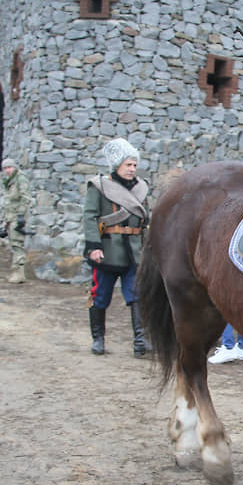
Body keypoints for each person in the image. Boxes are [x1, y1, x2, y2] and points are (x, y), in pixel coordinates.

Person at [83, 138, 150, 357]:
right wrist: (93, 246)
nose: (132, 169)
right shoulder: (99, 186)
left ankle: (140, 341)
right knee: (100, 296)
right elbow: (90, 217)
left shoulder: (141, 188)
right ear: (117, 165)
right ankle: (98, 339)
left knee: (137, 296)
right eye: (128, 165)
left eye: (134, 165)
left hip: (134, 252)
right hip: (108, 250)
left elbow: (145, 221)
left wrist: (148, 248)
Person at [0, 158, 31, 283]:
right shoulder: (9, 181)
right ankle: (15, 272)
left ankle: (19, 273)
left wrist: (21, 215)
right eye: (5, 168)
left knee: (18, 244)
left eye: (9, 167)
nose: (7, 170)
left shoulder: (20, 178)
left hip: (17, 216)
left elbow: (25, 197)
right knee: (14, 244)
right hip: (10, 216)